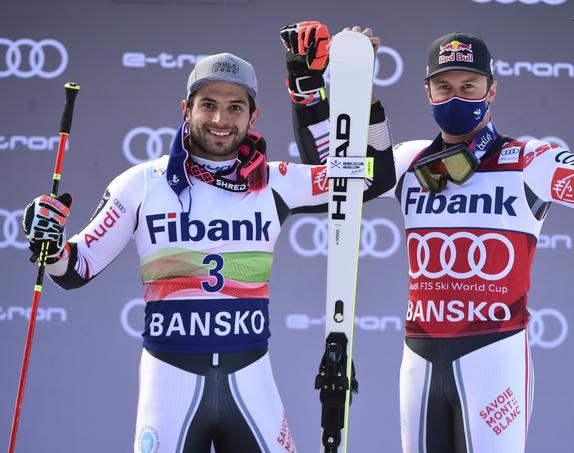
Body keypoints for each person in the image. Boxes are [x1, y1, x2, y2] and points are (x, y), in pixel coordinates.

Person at [21, 21, 394, 452]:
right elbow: (75, 268)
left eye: (235, 107)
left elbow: (373, 176)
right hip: (169, 382)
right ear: (187, 108)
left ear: (253, 115)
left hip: (250, 378)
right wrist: (47, 242)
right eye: (208, 105)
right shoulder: (145, 183)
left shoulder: (272, 182)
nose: (220, 119)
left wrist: (331, 93)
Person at [294, 27, 574, 452]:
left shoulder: (529, 161)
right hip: (419, 357)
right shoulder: (410, 160)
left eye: (469, 85)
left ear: (491, 91)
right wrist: (332, 87)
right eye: (444, 86)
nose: (456, 96)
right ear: (427, 92)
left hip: (494, 356)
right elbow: (332, 182)